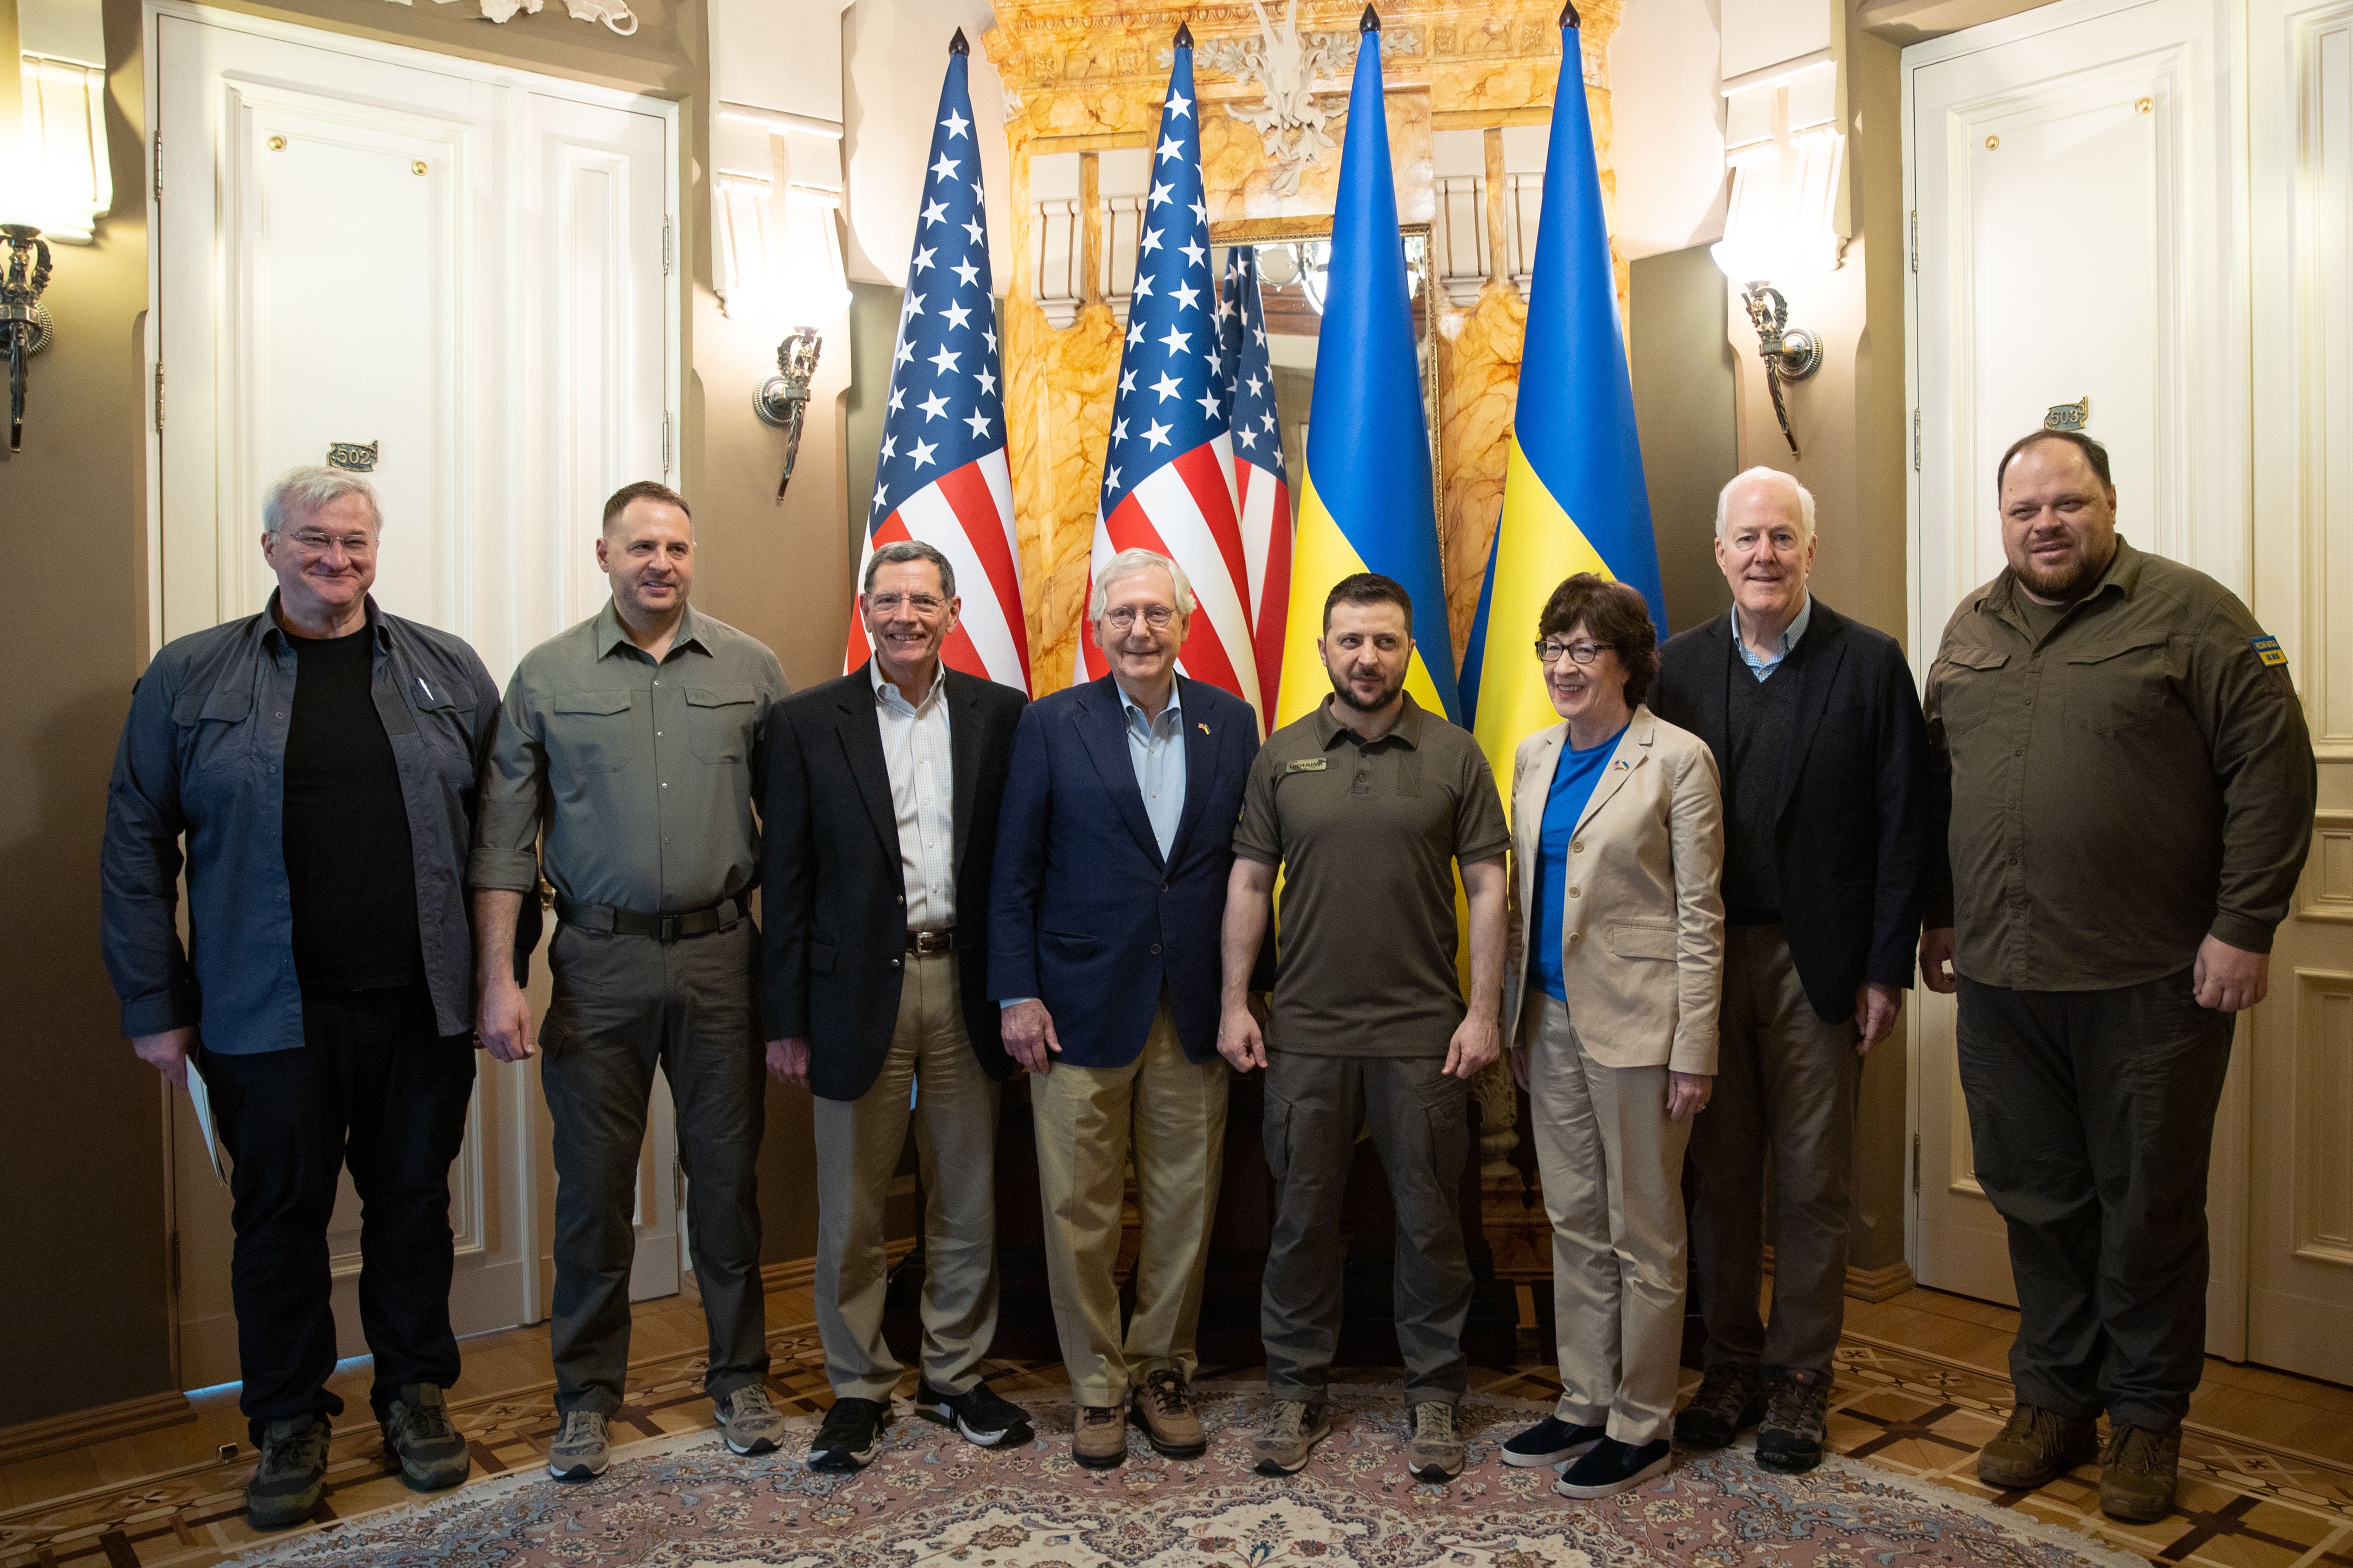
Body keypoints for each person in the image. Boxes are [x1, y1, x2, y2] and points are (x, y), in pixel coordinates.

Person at [1920, 430, 2315, 1523]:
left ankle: (2146, 1417)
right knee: (2035, 1205)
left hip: (2151, 983)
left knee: (2145, 1209)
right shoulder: (1969, 627)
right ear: (2000, 521)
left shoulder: (2194, 616)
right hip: (2002, 980)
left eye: (2066, 503)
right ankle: (2052, 1400)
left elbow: (2271, 771)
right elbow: (1936, 781)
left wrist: (2244, 923)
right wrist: (1942, 911)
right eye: (2023, 509)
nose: (2044, 523)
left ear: (2106, 504)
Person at [100, 467, 500, 1528]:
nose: (338, 561)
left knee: (412, 1209)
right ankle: (287, 1419)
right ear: (272, 547)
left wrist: (500, 967)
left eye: (357, 544)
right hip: (262, 1014)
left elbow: (503, 834)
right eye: (316, 542)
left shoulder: (446, 671)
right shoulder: (192, 677)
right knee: (278, 1221)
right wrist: (154, 999)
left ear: (378, 551)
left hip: (421, 1008)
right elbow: (136, 842)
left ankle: (414, 1394)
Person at [470, 480, 788, 1484]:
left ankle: (739, 1378)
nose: (662, 563)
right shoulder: (545, 676)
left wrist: (792, 978)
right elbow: (501, 846)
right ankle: (585, 1400)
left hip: (720, 960)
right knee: (592, 1196)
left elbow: (798, 839)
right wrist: (500, 979)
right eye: (641, 546)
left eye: (678, 548)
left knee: (727, 1188)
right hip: (596, 963)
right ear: (602, 554)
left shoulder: (752, 670)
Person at [1648, 469, 1928, 1473]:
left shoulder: (1868, 664)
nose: (1763, 554)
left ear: (1810, 550)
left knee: (1811, 1184)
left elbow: (1905, 826)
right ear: (1719, 554)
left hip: (1822, 968)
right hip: (1703, 964)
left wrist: (1884, 969)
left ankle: (1802, 1377)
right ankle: (1729, 1364)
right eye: (1745, 539)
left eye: (1781, 537)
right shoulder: (1673, 669)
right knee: (1720, 1181)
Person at [1218, 572, 1512, 1484]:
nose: (1366, 657)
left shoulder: (1456, 755)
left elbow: (1490, 887)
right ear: (1323, 648)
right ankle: (1296, 1388)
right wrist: (1235, 1000)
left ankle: (1434, 1391)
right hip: (1302, 1033)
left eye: (1385, 641)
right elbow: (1244, 884)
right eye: (1349, 640)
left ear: (1408, 651)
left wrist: (1484, 1009)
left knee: (1430, 1225)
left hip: (1424, 1034)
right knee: (1301, 1221)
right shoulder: (1280, 756)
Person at [988, 548, 1266, 1469]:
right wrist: (1017, 991)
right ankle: (1098, 1385)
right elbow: (1014, 870)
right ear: (1097, 629)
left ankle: (1162, 1370)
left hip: (1193, 1005)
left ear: (1184, 625)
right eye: (1123, 616)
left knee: (1186, 1204)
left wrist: (1240, 993)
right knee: (1077, 1208)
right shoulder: (1050, 724)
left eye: (1156, 614)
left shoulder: (1231, 722)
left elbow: (1246, 868)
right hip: (1073, 1006)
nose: (1140, 631)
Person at [762, 539, 1031, 1472]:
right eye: (889, 600)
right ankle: (859, 1387)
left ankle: (954, 1374)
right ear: (864, 611)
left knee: (967, 1198)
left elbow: (1016, 867)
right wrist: (784, 1018)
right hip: (848, 993)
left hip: (965, 982)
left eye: (924, 600)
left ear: (953, 611)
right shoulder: (804, 723)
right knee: (853, 1207)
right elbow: (784, 883)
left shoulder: (1002, 716)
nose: (905, 615)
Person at [1494, 573, 1723, 1499]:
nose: (1563, 665)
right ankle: (1583, 1396)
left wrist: (1694, 1047)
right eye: (1552, 647)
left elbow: (1700, 915)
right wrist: (1511, 1011)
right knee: (1573, 1221)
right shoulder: (1531, 754)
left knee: (1645, 1233)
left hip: (1642, 1031)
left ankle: (1641, 1418)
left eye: (1584, 648)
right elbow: (1520, 900)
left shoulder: (1678, 759)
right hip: (1545, 1020)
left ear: (1628, 659)